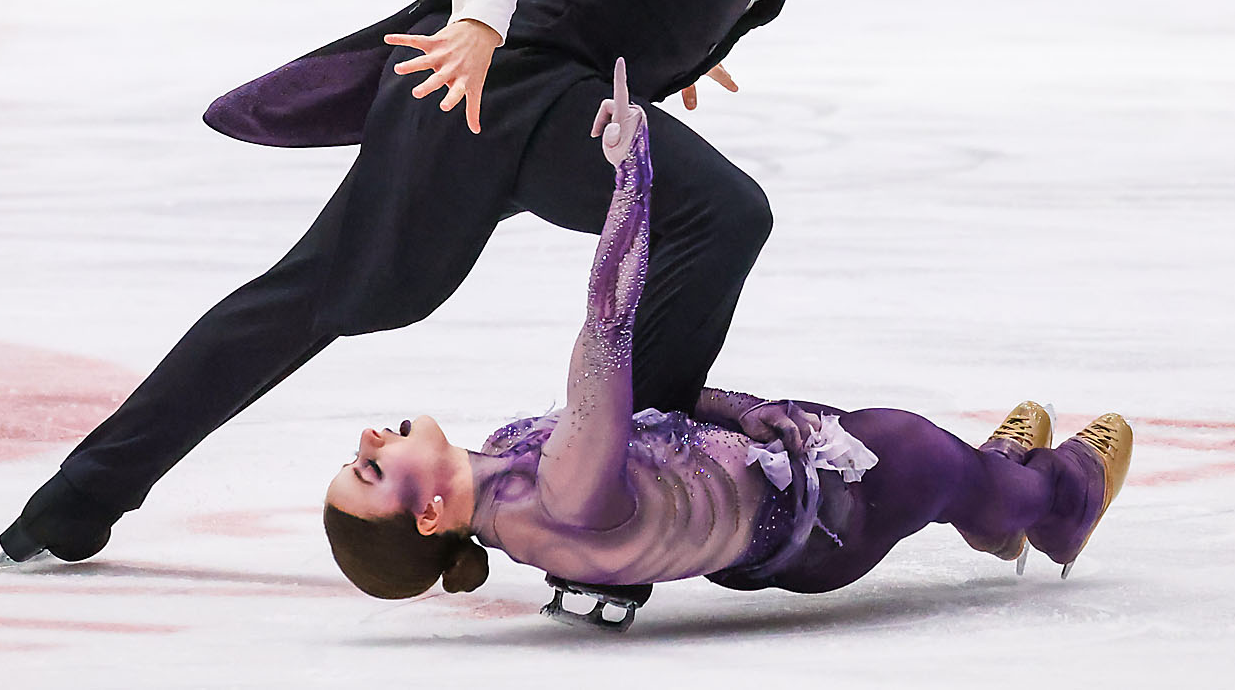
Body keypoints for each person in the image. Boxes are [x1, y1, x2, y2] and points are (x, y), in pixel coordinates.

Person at [0, 0, 897, 564]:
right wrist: (478, 21)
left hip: (550, 91)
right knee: (701, 215)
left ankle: (77, 499)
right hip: (492, 89)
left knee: (314, 296)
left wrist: (693, 43)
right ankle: (632, 474)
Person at [322, 61, 1134, 610]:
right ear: (429, 514)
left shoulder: (509, 456)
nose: (367, 437)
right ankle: (1055, 498)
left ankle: (989, 498)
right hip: (828, 514)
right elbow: (609, 329)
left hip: (774, 483)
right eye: (369, 468)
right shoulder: (554, 495)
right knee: (922, 452)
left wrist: (743, 409)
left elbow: (647, 409)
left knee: (941, 468)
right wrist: (632, 175)